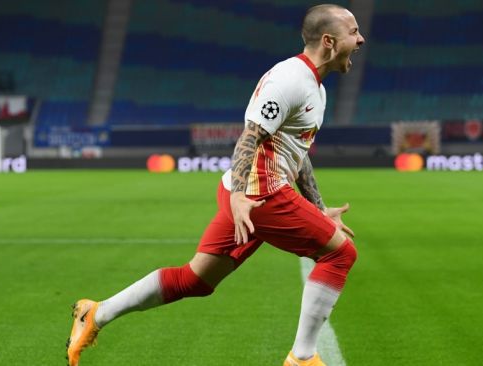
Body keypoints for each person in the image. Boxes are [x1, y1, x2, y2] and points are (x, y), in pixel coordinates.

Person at [67, 4, 365, 365]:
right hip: (259, 194)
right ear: (330, 41)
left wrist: (317, 207)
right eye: (354, 32)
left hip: (250, 193)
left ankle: (95, 313)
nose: (361, 39)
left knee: (194, 281)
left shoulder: (317, 90)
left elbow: (295, 152)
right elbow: (248, 138)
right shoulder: (290, 79)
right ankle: (302, 359)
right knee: (340, 253)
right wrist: (241, 197)